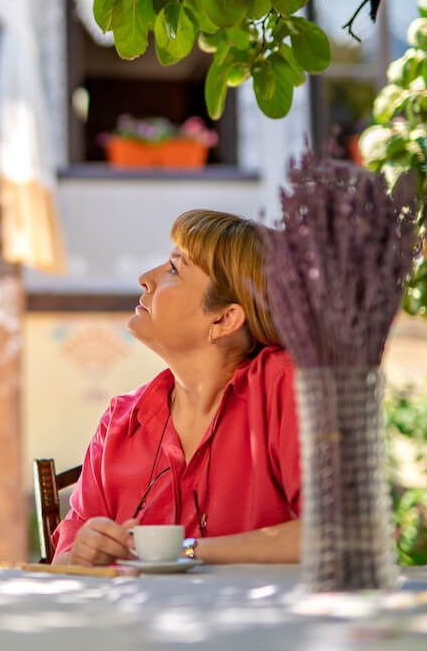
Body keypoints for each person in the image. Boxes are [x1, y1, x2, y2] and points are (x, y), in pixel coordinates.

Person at [52, 209, 301, 567]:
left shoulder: (284, 385)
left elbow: (337, 532)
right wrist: (83, 552)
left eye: (174, 269)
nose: (144, 279)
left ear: (224, 318)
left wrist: (181, 550)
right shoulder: (120, 421)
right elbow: (62, 564)